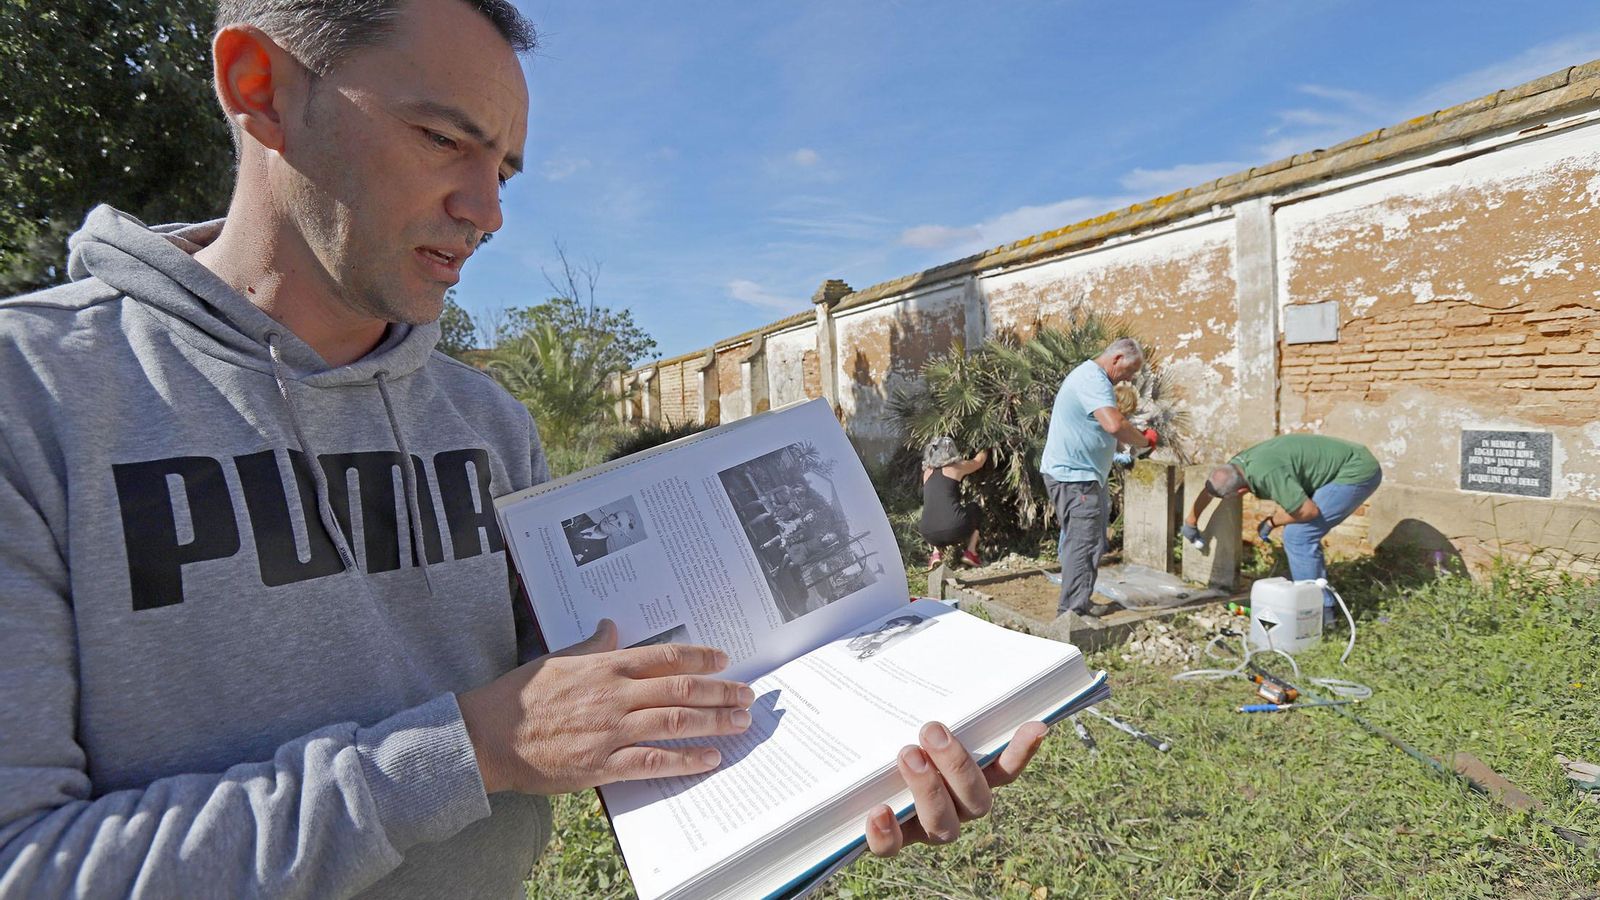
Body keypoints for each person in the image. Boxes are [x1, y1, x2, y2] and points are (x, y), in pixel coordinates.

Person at [0, 1, 1047, 895]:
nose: (488, 210)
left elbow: (579, 723)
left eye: (503, 165)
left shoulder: (487, 425)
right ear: (260, 84)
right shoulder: (33, 400)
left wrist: (854, 772)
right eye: (442, 140)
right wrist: (470, 750)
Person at [1185, 434, 1383, 627]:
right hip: (1337, 463)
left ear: (1241, 492)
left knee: (1298, 536)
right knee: (1297, 532)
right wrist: (1190, 522)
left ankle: (1320, 613)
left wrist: (1272, 522)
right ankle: (1308, 591)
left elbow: (1308, 511)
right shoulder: (1234, 468)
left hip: (1355, 470)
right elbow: (1211, 490)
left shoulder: (1268, 475)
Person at [1039, 339, 1156, 619]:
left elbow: (1099, 428)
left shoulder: (1093, 378)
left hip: (1084, 476)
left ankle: (1079, 601)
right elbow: (1114, 424)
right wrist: (1144, 441)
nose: (1130, 378)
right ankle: (1071, 615)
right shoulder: (1092, 378)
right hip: (1075, 478)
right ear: (1116, 358)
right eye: (1130, 370)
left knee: (1088, 542)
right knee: (1083, 544)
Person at [918, 437, 988, 569]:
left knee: (934, 510)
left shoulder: (926, 473)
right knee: (974, 508)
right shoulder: (955, 467)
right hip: (955, 529)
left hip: (929, 534)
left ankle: (936, 554)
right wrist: (986, 444)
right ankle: (971, 552)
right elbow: (979, 461)